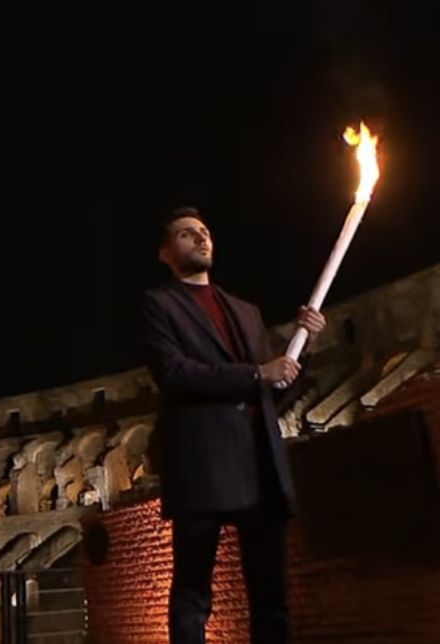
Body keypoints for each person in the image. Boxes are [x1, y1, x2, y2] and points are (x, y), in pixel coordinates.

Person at [138, 207, 325, 644]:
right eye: (187, 234)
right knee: (193, 592)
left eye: (204, 232)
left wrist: (304, 349)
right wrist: (259, 373)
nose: (200, 239)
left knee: (271, 598)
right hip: (204, 461)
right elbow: (175, 375)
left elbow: (270, 392)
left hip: (259, 459)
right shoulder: (159, 305)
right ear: (167, 253)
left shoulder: (245, 310)